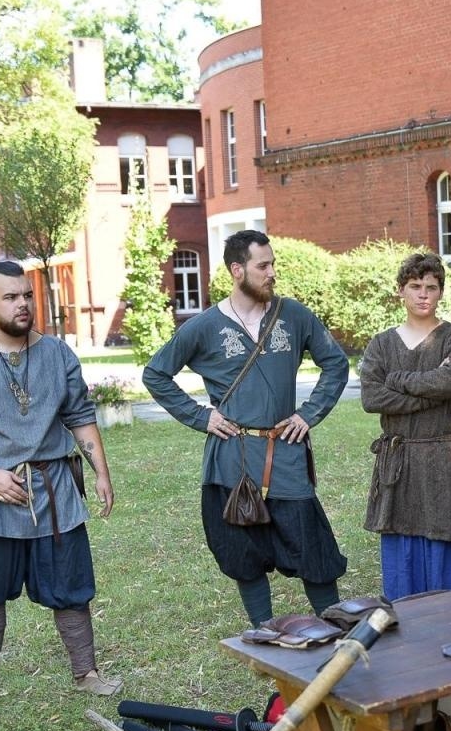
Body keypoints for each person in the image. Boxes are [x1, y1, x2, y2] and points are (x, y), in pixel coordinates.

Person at [0, 260, 120, 714]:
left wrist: (101, 472)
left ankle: (86, 672)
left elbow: (80, 416)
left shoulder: (57, 354)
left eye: (27, 295)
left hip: (55, 492)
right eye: (11, 297)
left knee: (72, 588)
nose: (22, 304)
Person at [143, 229, 350, 626]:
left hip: (285, 454)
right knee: (244, 553)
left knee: (313, 548)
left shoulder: (294, 315)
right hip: (232, 459)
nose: (272, 273)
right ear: (238, 270)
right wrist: (201, 417)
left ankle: (338, 635)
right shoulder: (203, 326)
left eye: (273, 264)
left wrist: (308, 414)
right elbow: (156, 375)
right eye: (263, 266)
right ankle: (265, 635)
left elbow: (336, 364)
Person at [359, 253, 451, 600]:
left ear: (441, 292)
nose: (423, 294)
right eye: (415, 286)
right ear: (400, 291)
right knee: (404, 546)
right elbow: (372, 397)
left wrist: (397, 379)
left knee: (448, 546)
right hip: (400, 463)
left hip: (445, 459)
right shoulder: (382, 344)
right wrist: (435, 390)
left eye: (431, 287)